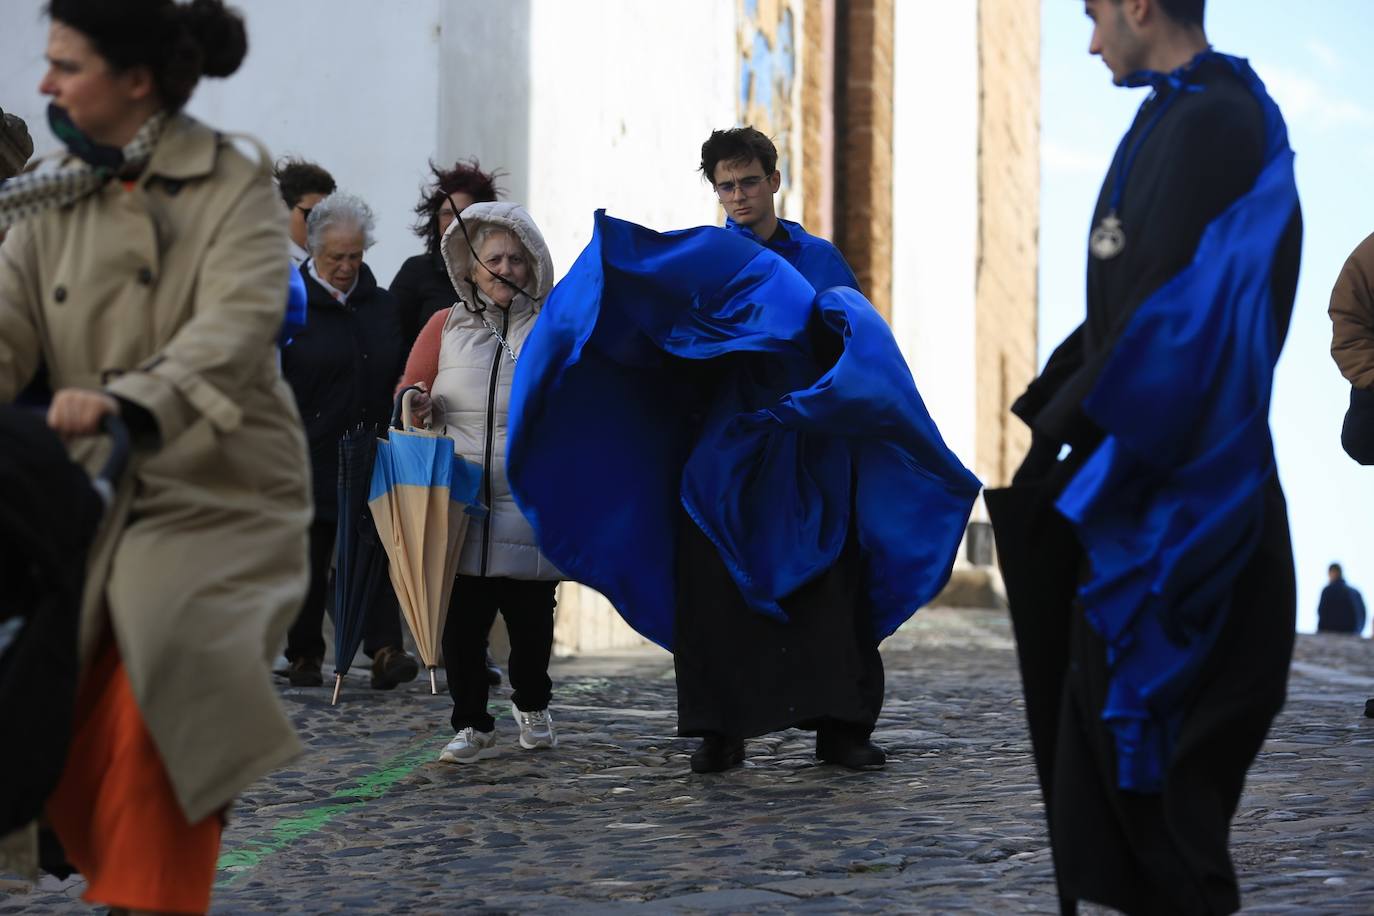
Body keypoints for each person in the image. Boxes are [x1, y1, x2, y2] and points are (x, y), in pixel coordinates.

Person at [985, 1, 1303, 913]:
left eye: (1092, 16)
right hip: (1137, 475)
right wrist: (1063, 407)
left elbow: (1181, 312)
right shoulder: (1174, 111)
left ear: (1137, 4)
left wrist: (1082, 416)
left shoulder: (1215, 120)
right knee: (1110, 777)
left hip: (1183, 507)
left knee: (1164, 779)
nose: (1087, 42)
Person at [0, 1, 312, 912]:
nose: (45, 84)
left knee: (162, 667)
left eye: (66, 64)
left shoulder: (233, 183)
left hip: (218, 486)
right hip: (85, 479)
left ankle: (151, 897)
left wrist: (135, 396)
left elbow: (239, 321)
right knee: (66, 691)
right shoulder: (51, 192)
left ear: (134, 80)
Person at [399, 201, 563, 763]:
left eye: (517, 258)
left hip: (528, 496)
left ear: (533, 265)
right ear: (470, 268)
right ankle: (471, 722)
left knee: (531, 624)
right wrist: (415, 402)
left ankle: (534, 703)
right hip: (459, 499)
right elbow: (411, 387)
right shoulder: (445, 325)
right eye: (494, 258)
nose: (506, 268)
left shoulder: (552, 329)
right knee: (462, 628)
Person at [281, 192, 418, 690]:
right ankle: (304, 655)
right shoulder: (288, 302)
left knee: (373, 549)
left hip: (370, 448)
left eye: (355, 256)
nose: (345, 267)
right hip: (305, 449)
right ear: (312, 250)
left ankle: (384, 649)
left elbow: (399, 367)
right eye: (334, 257)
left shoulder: (381, 306)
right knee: (310, 554)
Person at [706, 126, 859, 293]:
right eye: (727, 187)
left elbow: (852, 319)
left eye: (749, 182)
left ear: (774, 181)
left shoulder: (820, 259)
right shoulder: (710, 261)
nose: (738, 196)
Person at [391, 158, 502, 345]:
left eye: (463, 213)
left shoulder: (503, 270)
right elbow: (392, 335)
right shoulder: (416, 271)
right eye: (446, 213)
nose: (453, 221)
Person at [274, 156, 335, 267]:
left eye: (326, 215)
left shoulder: (342, 261)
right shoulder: (269, 263)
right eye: (310, 214)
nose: (320, 224)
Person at [1317, 563, 1367, 635]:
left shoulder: (1328, 591)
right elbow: (1362, 616)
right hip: (1352, 633)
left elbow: (1321, 612)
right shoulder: (1355, 592)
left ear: (1332, 573)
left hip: (1330, 633)